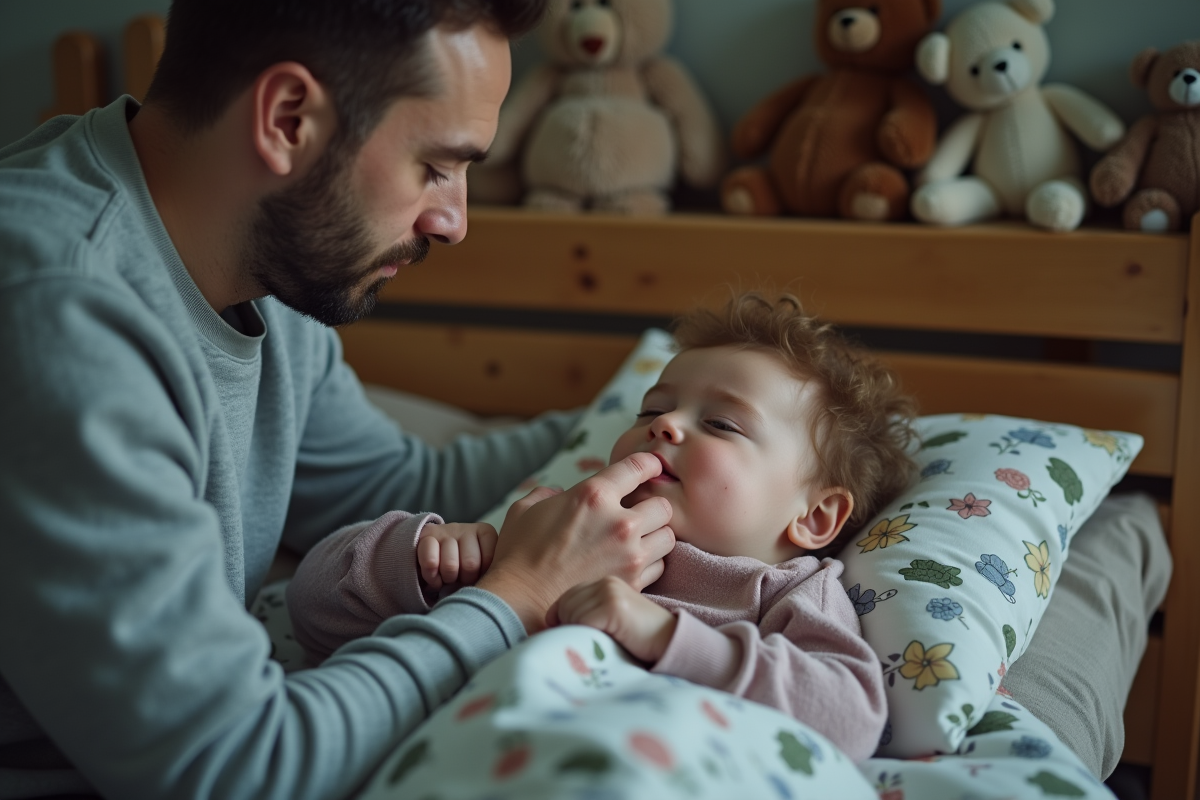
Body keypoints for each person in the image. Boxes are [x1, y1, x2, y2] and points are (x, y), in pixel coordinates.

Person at [0, 1, 676, 798]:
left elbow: (391, 488)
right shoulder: (58, 313)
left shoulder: (256, 258)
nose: (454, 221)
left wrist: (666, 424)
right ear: (288, 118)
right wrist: (517, 598)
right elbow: (234, 770)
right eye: (436, 164)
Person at [289, 293, 915, 762]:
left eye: (722, 424)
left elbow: (850, 720)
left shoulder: (786, 591)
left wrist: (666, 635)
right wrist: (419, 557)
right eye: (654, 408)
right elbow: (312, 607)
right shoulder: (549, 528)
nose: (665, 427)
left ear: (815, 516)